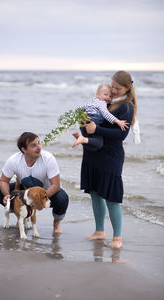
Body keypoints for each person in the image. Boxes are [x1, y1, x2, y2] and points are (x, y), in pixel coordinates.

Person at [72, 71, 139, 248]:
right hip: (93, 153)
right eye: (112, 86)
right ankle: (99, 231)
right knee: (95, 193)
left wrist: (97, 130)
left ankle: (117, 239)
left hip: (111, 157)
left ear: (127, 88)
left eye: (117, 88)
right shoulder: (106, 102)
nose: (113, 90)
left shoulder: (126, 107)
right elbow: (93, 121)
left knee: (112, 197)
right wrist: (84, 125)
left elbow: (121, 135)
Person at [0, 132, 69, 234]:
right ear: (24, 150)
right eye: (34, 145)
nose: (39, 147)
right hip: (26, 193)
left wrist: (40, 199)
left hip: (48, 193)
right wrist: (7, 195)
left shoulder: (48, 159)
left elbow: (56, 185)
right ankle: (21, 216)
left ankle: (56, 223)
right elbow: (3, 181)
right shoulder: (14, 160)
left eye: (39, 143)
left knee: (62, 197)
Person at [74, 83, 128, 151]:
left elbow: (78, 109)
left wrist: (81, 116)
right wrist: (118, 121)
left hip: (84, 124)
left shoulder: (91, 102)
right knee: (98, 143)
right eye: (105, 94)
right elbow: (106, 114)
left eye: (110, 96)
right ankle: (82, 139)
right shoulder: (102, 103)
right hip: (93, 121)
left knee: (90, 145)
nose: (108, 97)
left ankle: (80, 138)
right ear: (97, 95)